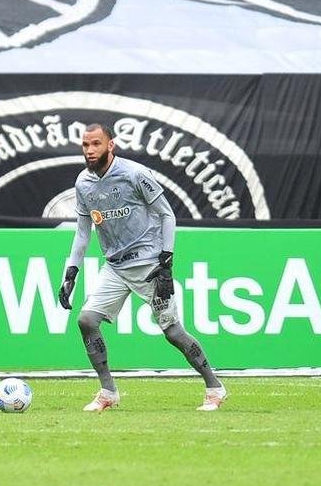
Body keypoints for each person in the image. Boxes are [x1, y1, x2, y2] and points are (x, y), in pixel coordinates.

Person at [57, 123, 227, 412]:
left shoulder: (135, 174)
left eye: (96, 144)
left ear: (111, 145)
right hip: (115, 267)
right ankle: (108, 392)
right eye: (85, 145)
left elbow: (167, 215)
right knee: (86, 320)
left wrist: (166, 262)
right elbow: (83, 233)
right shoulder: (83, 183)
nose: (90, 150)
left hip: (149, 265)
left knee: (173, 332)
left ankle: (215, 387)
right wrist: (71, 271)